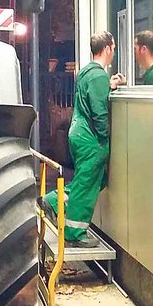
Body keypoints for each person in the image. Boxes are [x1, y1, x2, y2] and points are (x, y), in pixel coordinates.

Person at [44, 31, 124, 247]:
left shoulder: (86, 74)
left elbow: (90, 95)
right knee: (87, 183)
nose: (113, 52)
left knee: (92, 180)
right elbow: (99, 111)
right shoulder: (98, 76)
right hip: (90, 138)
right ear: (107, 48)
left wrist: (109, 85)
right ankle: (75, 231)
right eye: (113, 48)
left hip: (78, 133)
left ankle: (54, 200)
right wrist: (104, 138)